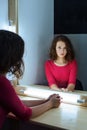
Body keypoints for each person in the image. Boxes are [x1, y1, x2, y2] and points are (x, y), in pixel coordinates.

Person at [0, 30, 61, 129]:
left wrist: (45, 101)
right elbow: (24, 114)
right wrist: (50, 104)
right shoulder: (2, 83)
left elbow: (16, 104)